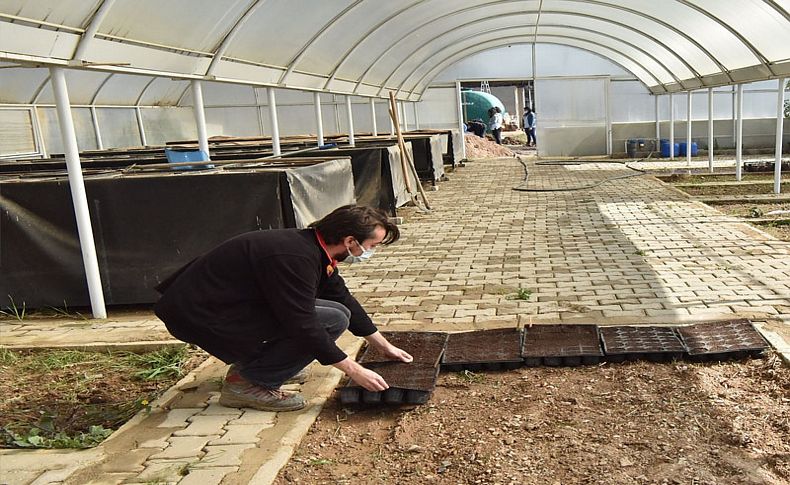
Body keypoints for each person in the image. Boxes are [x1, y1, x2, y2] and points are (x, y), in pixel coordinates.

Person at [153, 205, 414, 412]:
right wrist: (354, 370)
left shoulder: (314, 249)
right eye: (372, 245)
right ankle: (246, 384)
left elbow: (343, 298)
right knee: (330, 320)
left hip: (222, 306)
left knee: (338, 312)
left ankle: (262, 366)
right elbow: (301, 323)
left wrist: (383, 345)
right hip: (200, 314)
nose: (371, 251)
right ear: (350, 241)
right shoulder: (294, 258)